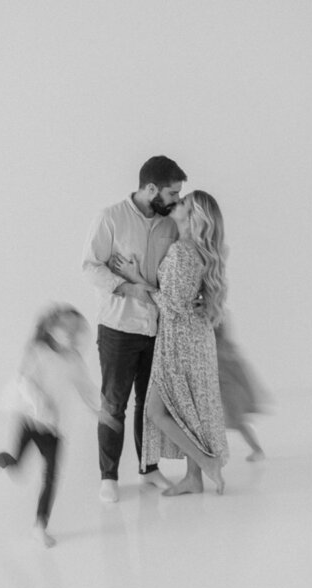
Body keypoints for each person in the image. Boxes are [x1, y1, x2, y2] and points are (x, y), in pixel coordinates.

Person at [82, 155, 187, 503]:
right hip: (117, 327)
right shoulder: (110, 217)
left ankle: (149, 468)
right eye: (172, 193)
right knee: (114, 403)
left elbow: (172, 274)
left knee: (150, 404)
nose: (176, 200)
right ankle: (108, 476)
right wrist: (129, 287)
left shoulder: (170, 225)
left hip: (157, 329)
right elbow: (90, 266)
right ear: (151, 188)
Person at [112, 190, 229, 496]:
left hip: (181, 340)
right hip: (193, 336)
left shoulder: (182, 251)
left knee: (156, 410)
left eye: (183, 204)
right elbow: (183, 298)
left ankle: (206, 463)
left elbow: (172, 303)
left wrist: (136, 281)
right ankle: (194, 477)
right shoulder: (195, 251)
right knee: (187, 409)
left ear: (193, 218)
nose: (175, 205)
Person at [0, 304, 119, 547]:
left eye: (75, 330)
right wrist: (41, 405)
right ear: (51, 329)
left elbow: (85, 388)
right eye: (65, 328)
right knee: (16, 466)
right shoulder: (39, 352)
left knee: (51, 477)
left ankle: (39, 526)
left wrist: (101, 411)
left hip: (55, 429)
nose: (70, 334)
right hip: (30, 421)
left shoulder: (73, 359)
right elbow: (24, 381)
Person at [214, 319, 267, 461]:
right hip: (224, 392)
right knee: (235, 423)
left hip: (228, 393)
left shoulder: (222, 351)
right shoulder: (224, 349)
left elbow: (235, 374)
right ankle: (256, 450)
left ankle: (257, 450)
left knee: (237, 422)